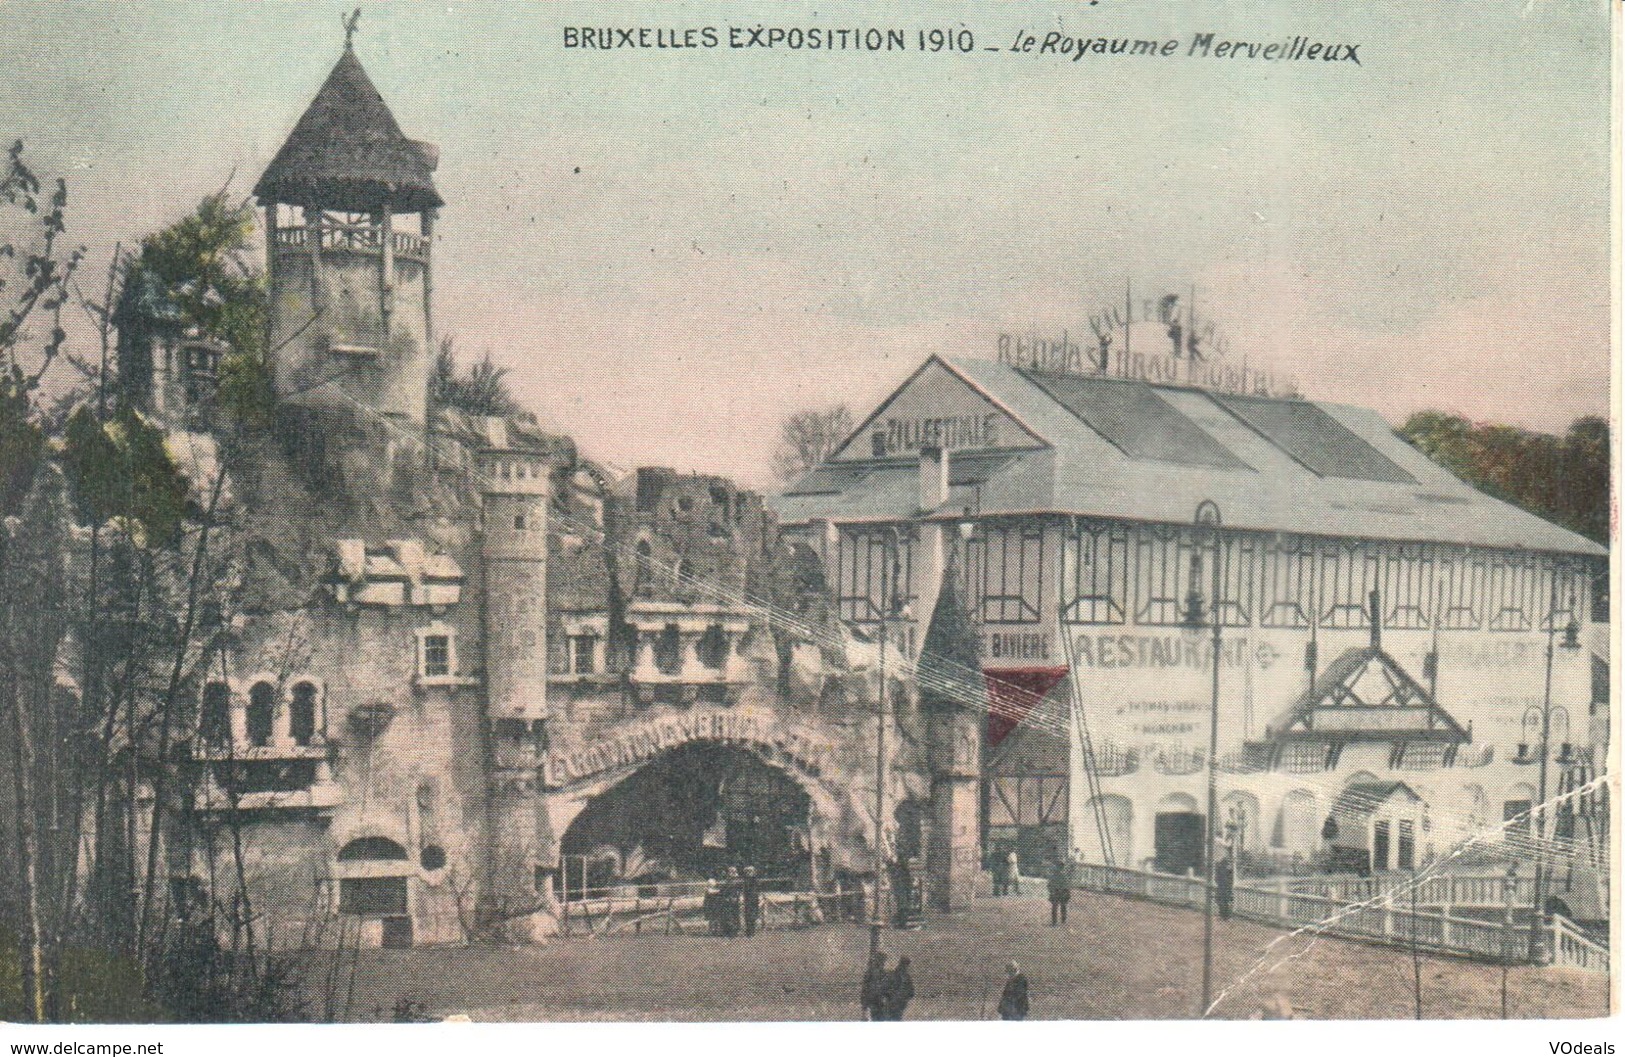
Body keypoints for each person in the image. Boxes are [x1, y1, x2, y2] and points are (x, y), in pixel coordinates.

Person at [881, 955, 914, 1021]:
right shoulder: (906, 976)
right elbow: (911, 992)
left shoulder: (891, 974)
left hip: (891, 1003)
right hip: (898, 1003)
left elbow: (884, 989)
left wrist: (888, 997)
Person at [860, 951, 888, 1021]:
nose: (883, 963)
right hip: (876, 1000)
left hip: (876, 1000)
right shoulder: (879, 972)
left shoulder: (878, 972)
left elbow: (865, 988)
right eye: (882, 961)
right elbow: (865, 988)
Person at [1047, 860, 1071, 925]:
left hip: (1059, 892)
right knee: (1061, 907)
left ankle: (1057, 921)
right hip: (1059, 892)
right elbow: (1050, 885)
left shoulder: (1056, 875)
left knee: (1058, 907)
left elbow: (1049, 885)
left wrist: (1051, 891)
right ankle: (1060, 921)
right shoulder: (1062, 875)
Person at [721, 866, 743, 937]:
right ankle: (732, 931)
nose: (728, 873)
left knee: (732, 916)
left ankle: (733, 932)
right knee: (732, 915)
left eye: (730, 872)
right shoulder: (730, 880)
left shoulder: (734, 881)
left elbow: (728, 890)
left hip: (732, 900)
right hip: (731, 900)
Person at [742, 865, 762, 937]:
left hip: (753, 900)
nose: (748, 873)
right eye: (747, 872)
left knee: (752, 915)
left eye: (750, 871)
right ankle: (748, 930)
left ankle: (751, 931)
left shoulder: (755, 880)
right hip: (747, 900)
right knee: (747, 915)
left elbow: (756, 890)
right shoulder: (746, 880)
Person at [1215, 853, 1235, 921]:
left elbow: (1230, 879)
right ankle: (1225, 916)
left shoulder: (1227, 869)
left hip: (1224, 887)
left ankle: (1226, 916)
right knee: (1223, 902)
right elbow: (1217, 878)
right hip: (1224, 887)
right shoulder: (1222, 869)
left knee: (1225, 902)